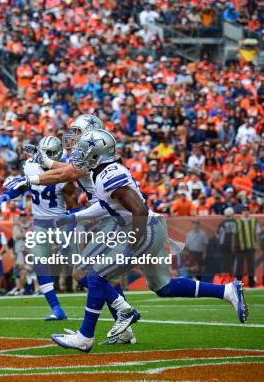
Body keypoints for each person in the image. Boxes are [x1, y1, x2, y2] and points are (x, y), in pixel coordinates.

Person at [30, 129, 247, 352]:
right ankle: (227, 291)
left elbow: (139, 210)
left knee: (94, 275)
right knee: (164, 287)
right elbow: (108, 206)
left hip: (144, 230)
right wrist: (74, 216)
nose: (79, 155)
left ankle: (86, 336)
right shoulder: (104, 172)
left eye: (85, 151)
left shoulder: (108, 174)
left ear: (98, 154)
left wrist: (132, 244)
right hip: (151, 228)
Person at [3, 115, 138, 344]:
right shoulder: (93, 153)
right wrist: (42, 160)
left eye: (77, 132)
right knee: (99, 276)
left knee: (84, 272)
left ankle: (105, 322)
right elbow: (66, 168)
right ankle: (122, 324)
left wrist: (30, 180)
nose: (72, 136)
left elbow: (65, 173)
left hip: (109, 216)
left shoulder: (94, 154)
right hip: (104, 214)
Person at [0, 136, 75, 321]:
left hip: (60, 222)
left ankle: (115, 300)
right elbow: (23, 185)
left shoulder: (65, 172)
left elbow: (74, 206)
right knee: (39, 263)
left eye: (48, 154)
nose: (44, 156)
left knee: (79, 271)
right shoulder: (31, 165)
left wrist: (70, 229)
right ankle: (56, 308)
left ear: (56, 155)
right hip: (40, 223)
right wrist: (8, 194)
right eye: (43, 152)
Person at [235, 210, 259, 288]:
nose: (246, 212)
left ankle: (251, 282)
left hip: (251, 247)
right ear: (242, 212)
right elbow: (233, 234)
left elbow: (257, 233)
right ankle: (239, 282)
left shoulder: (254, 221)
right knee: (239, 266)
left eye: (247, 211)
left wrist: (257, 244)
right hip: (240, 247)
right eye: (244, 211)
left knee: (251, 266)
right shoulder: (237, 221)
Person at [217, 208, 238, 275]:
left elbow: (218, 235)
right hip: (235, 245)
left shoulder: (222, 223)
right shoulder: (236, 222)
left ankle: (226, 279)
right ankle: (233, 277)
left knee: (224, 262)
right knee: (233, 262)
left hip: (224, 245)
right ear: (232, 214)